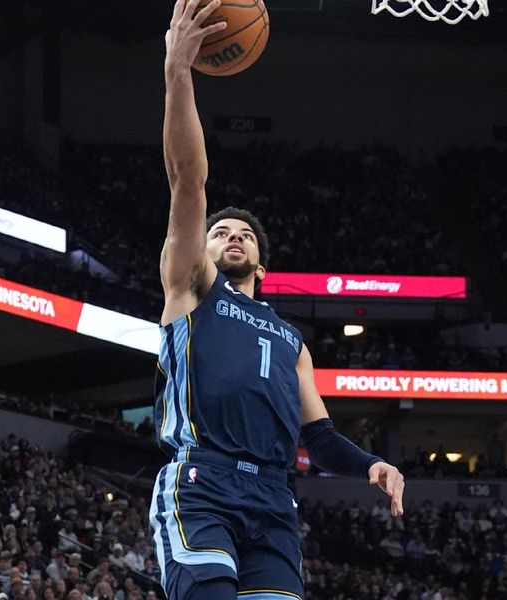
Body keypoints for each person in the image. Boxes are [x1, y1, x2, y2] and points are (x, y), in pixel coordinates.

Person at [151, 2, 405, 599]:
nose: (232, 236)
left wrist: (369, 463)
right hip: (202, 478)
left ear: (260, 263)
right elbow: (188, 176)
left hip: (273, 496)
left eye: (244, 235)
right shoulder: (191, 285)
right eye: (220, 232)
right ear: (204, 251)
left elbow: (317, 438)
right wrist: (178, 73)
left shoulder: (291, 341)